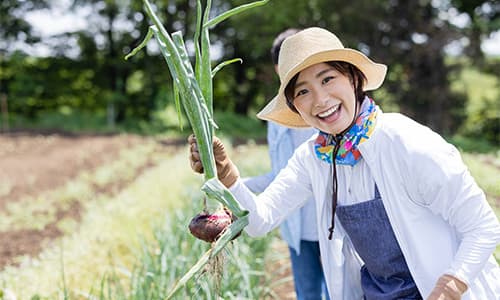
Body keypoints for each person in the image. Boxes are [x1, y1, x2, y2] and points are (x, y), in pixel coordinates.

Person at [188, 27, 500, 299]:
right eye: (304, 92)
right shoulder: (314, 157)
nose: (321, 100)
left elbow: (483, 226)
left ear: (352, 78)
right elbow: (259, 220)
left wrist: (449, 288)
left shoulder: (407, 143)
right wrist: (226, 172)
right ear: (295, 106)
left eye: (328, 79)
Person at [242, 28, 329, 300]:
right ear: (279, 68)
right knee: (307, 294)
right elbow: (281, 176)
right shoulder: (277, 121)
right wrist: (236, 185)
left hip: (333, 226)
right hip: (297, 229)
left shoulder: (325, 113)